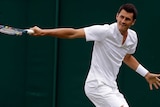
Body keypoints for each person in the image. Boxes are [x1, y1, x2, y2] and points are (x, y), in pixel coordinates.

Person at [30, 3, 160, 107]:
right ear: (117, 16)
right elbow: (73, 33)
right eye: (121, 17)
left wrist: (146, 74)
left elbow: (127, 57)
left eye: (127, 19)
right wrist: (43, 32)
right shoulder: (104, 31)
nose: (123, 21)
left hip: (111, 87)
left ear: (133, 22)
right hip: (96, 85)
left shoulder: (132, 38)